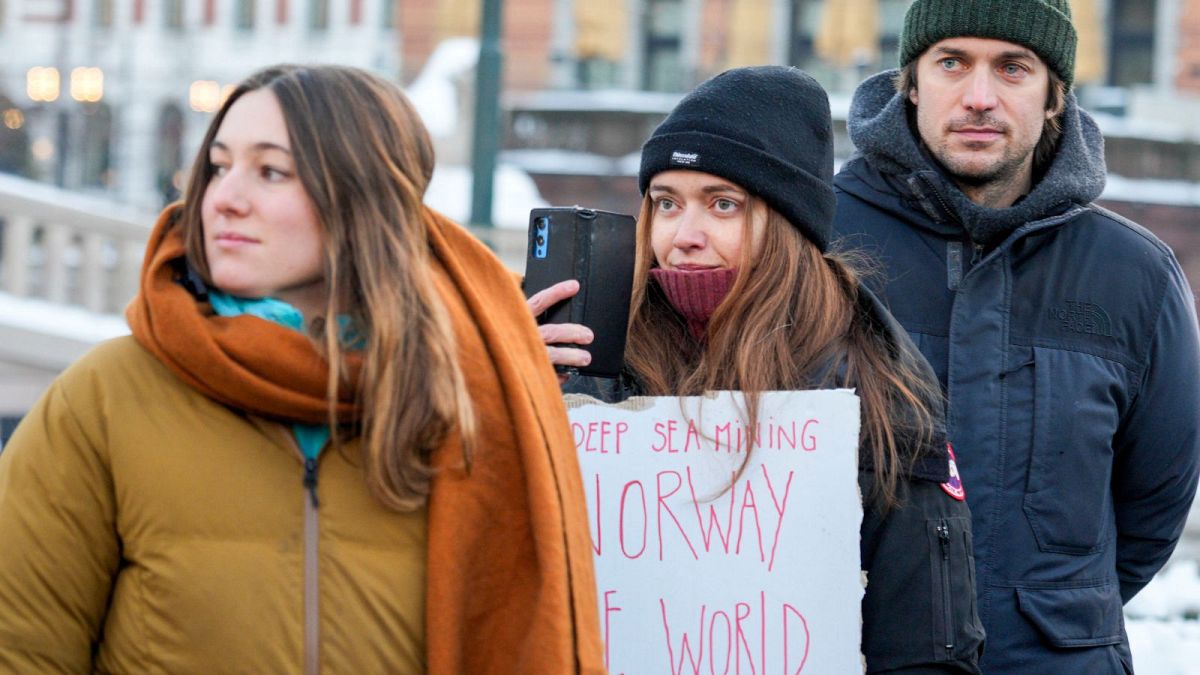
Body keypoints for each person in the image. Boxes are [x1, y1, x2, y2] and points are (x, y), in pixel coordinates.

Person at [0, 65, 604, 673]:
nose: (224, 199)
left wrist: (507, 364)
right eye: (218, 166)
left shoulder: (469, 401)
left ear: (364, 199)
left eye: (270, 172)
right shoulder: (105, 398)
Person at [530, 65, 985, 673]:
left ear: (787, 225)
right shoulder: (586, 362)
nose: (684, 235)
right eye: (666, 203)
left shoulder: (871, 386)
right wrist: (508, 391)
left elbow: (924, 644)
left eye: (723, 204)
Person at [831, 1, 1200, 671]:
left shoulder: (1135, 275)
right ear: (911, 82)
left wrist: (1050, 614)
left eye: (1013, 68)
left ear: (1055, 94)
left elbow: (1155, 504)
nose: (979, 97)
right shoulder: (813, 245)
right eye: (952, 63)